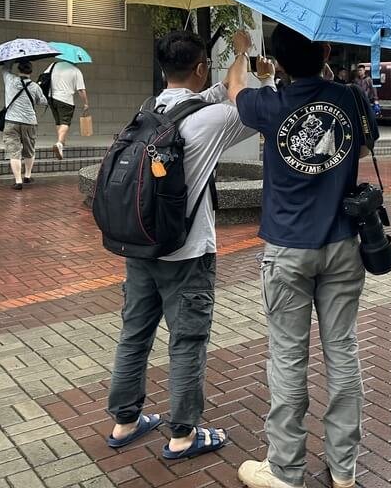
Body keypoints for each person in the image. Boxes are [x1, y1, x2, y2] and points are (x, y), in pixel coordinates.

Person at [105, 29, 274, 460]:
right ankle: (183, 434)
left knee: (134, 333)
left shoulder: (146, 112)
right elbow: (255, 108)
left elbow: (217, 91)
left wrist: (238, 60)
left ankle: (124, 421)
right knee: (187, 340)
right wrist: (256, 68)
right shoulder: (214, 120)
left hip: (140, 246)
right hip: (188, 253)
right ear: (200, 67)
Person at [228, 24, 378, 488]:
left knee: (288, 359)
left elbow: (234, 88)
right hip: (342, 246)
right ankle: (344, 469)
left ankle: (286, 469)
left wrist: (242, 53)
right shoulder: (350, 98)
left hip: (288, 249)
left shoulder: (272, 104)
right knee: (343, 352)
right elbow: (366, 144)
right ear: (327, 51)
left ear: (280, 63)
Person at [2, 61, 47, 190]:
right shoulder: (35, 86)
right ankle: (27, 176)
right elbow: (43, 101)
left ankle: (18, 181)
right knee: (29, 150)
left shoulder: (10, 80)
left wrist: (12, 60)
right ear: (31, 72)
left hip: (11, 121)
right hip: (29, 122)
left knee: (14, 152)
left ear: (18, 70)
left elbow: (5, 69)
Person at [43, 58, 90, 159]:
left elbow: (44, 76)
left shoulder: (53, 65)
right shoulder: (76, 71)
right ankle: (59, 143)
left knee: (58, 122)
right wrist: (86, 103)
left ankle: (62, 140)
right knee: (65, 122)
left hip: (52, 98)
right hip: (65, 100)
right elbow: (81, 90)